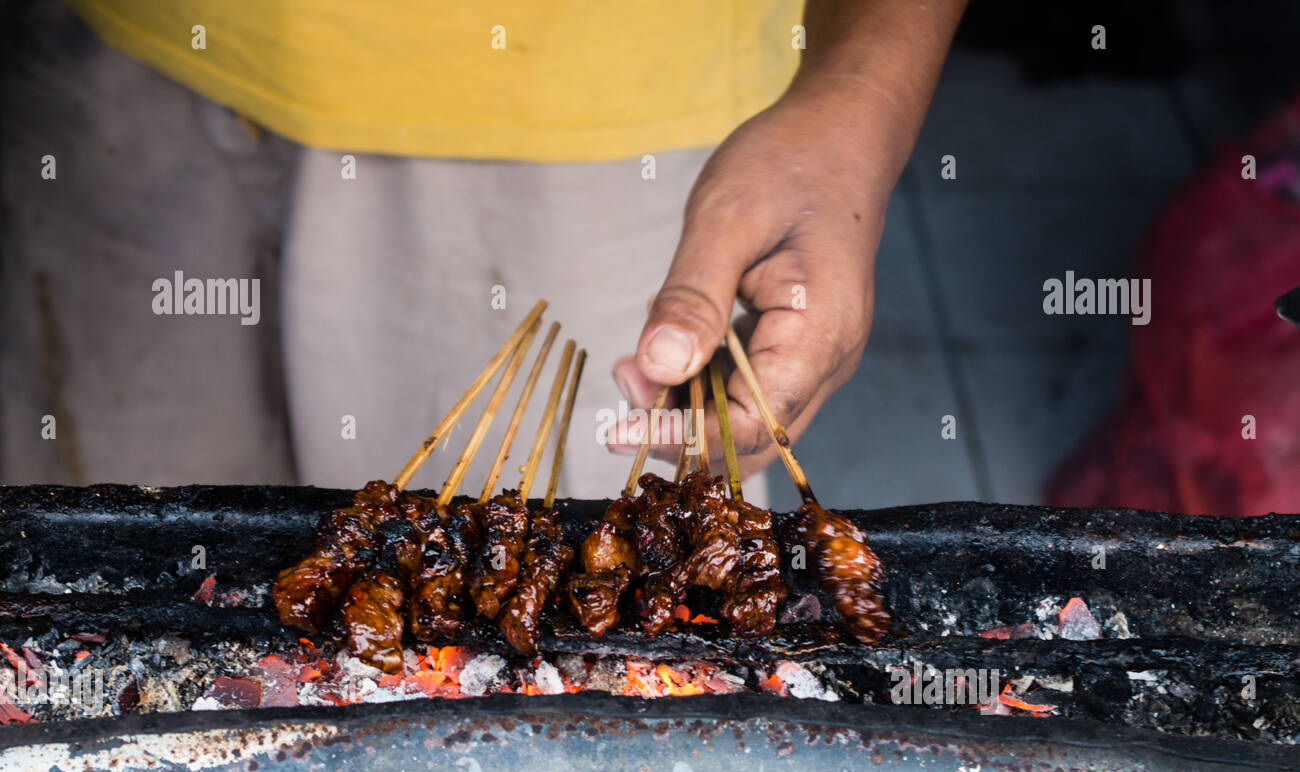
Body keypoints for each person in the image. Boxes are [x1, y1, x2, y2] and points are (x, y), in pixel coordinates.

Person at [1, 0, 965, 499]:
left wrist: (860, 104)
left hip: (601, 102)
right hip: (118, 50)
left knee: (536, 743)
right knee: (118, 652)